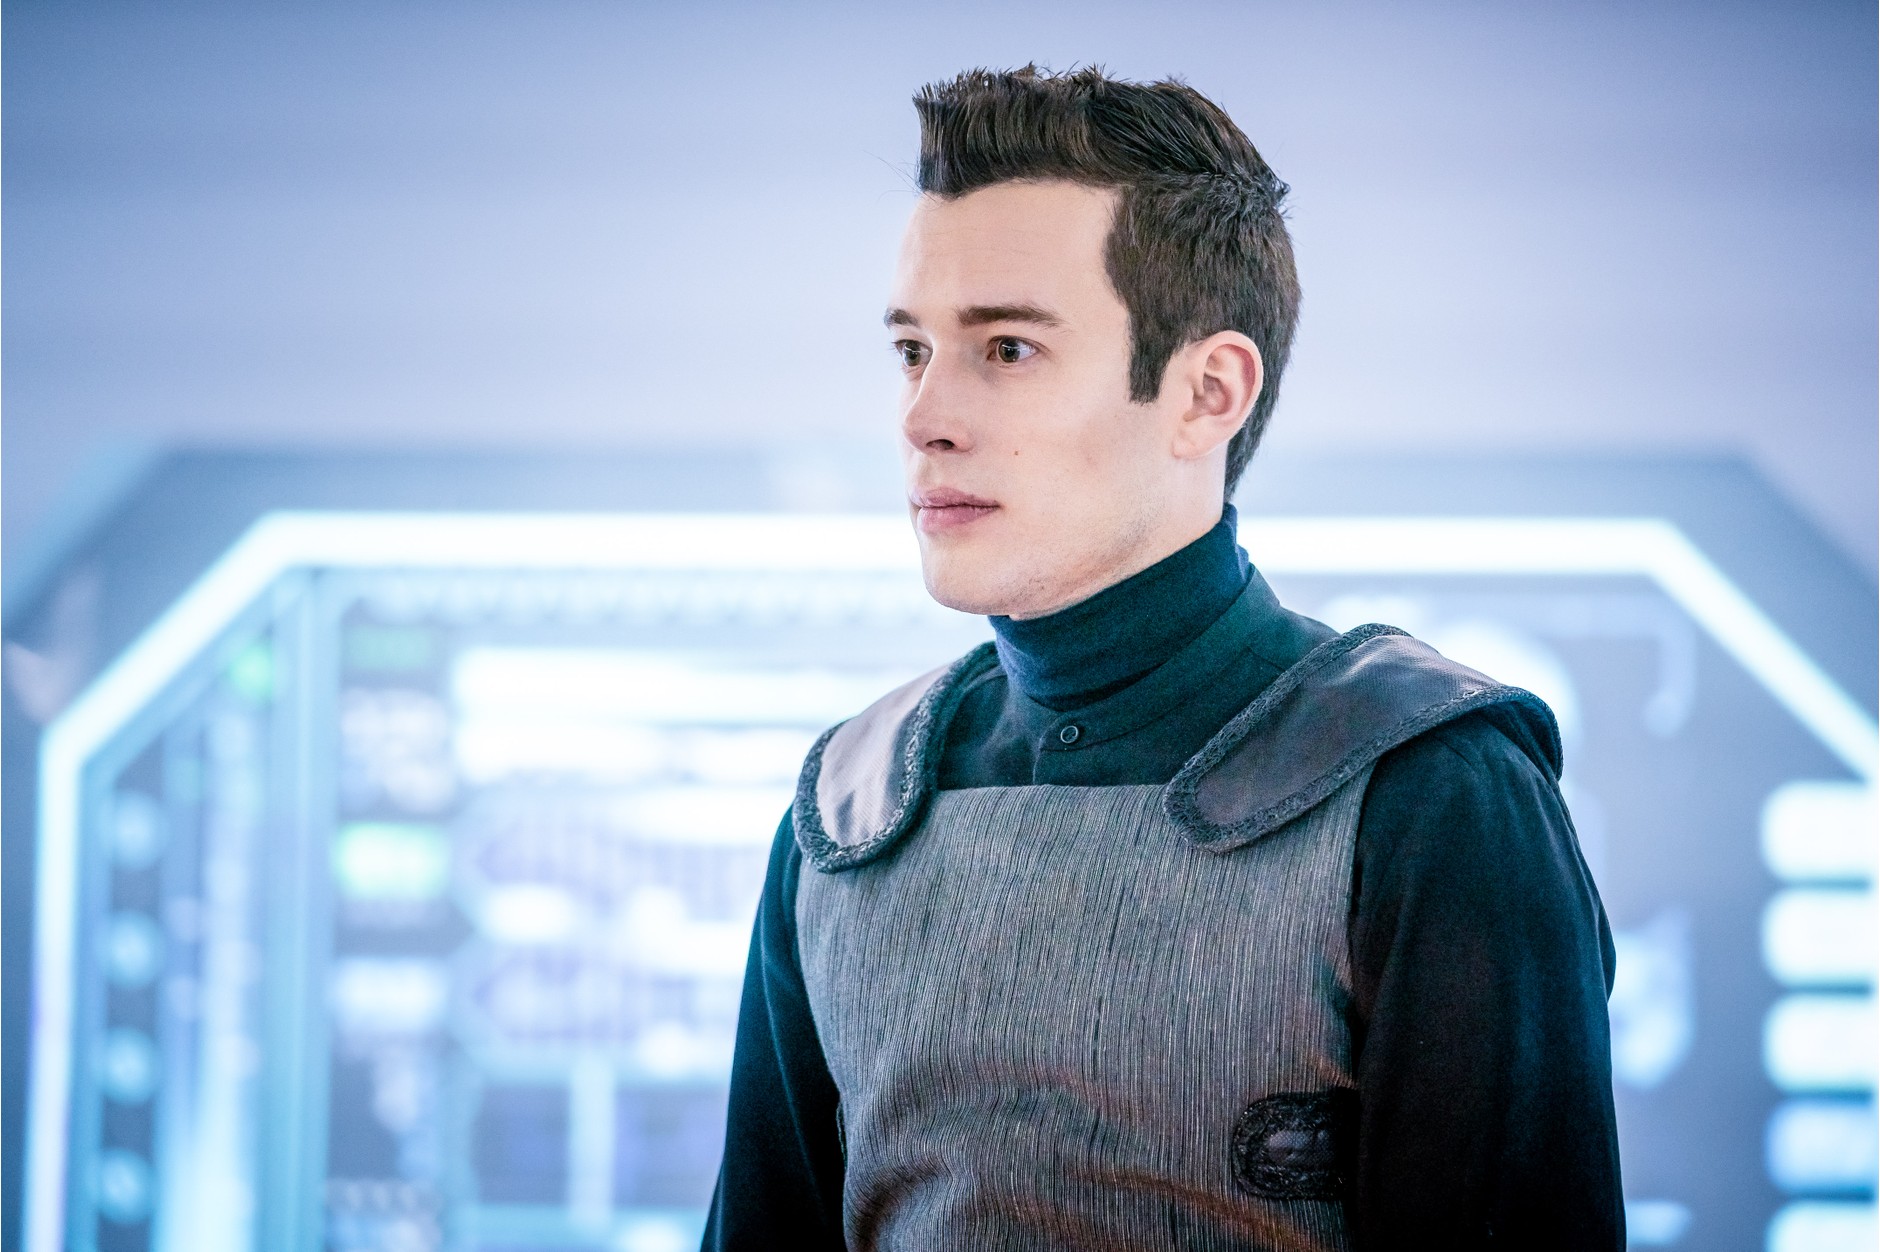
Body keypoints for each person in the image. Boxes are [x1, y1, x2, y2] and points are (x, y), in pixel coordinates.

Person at [704, 65, 1622, 1250]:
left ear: (1205, 392)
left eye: (1006, 349)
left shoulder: (1434, 791)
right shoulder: (845, 813)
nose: (924, 416)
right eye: (911, 350)